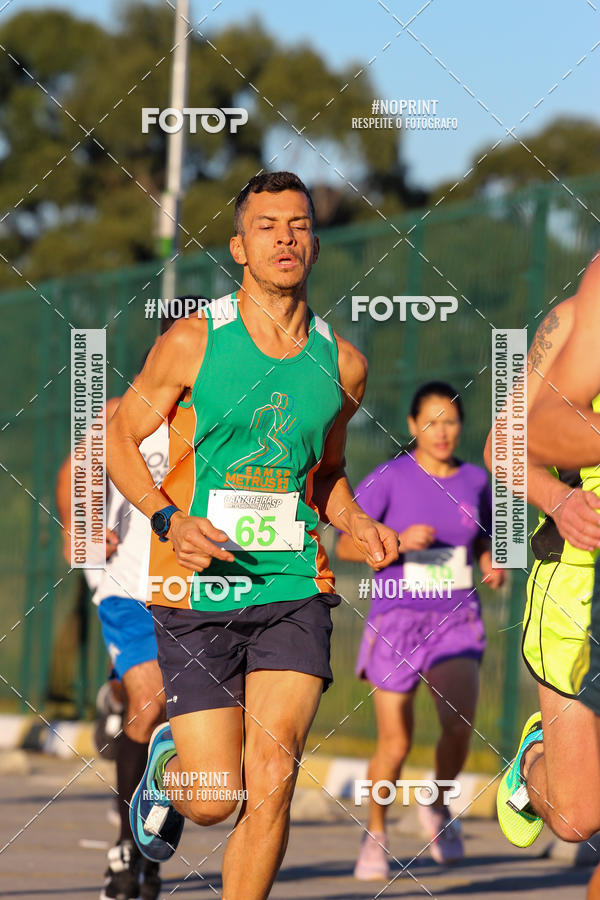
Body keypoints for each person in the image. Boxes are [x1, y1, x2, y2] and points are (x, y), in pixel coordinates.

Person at [106, 171, 399, 900]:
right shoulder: (194, 340)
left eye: (298, 225)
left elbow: (325, 475)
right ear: (239, 247)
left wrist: (357, 519)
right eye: (266, 226)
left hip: (294, 586)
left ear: (316, 244)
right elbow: (120, 435)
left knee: (273, 779)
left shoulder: (344, 365)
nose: (285, 238)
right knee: (214, 800)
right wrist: (168, 518)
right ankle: (171, 769)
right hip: (199, 584)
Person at [56, 297, 208, 900]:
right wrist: (82, 525)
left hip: (195, 585)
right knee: (151, 705)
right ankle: (128, 843)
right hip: (126, 579)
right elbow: (76, 474)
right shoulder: (128, 409)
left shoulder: (224, 411)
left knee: (168, 714)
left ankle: (115, 697)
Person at [336, 381, 504, 877]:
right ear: (412, 427)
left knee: (458, 725)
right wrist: (397, 541)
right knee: (395, 743)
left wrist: (492, 564)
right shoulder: (390, 478)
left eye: (451, 421)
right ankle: (376, 834)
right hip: (397, 618)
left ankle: (435, 803)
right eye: (432, 421)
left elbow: (484, 544)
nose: (443, 431)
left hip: (455, 617)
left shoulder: (476, 480)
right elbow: (343, 546)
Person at [488, 254, 600, 852]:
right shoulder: (570, 322)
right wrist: (558, 500)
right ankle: (535, 760)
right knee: (576, 816)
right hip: (577, 577)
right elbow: (500, 444)